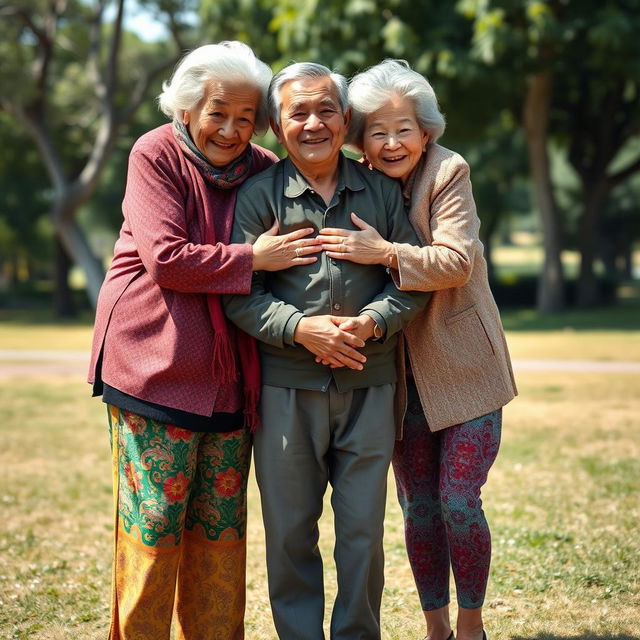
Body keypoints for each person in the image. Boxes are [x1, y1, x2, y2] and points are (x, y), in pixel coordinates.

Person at [88, 42, 323, 640]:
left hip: (231, 376)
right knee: (156, 525)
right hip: (153, 363)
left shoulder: (266, 169)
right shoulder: (156, 153)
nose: (231, 129)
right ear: (188, 107)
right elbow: (166, 259)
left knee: (220, 530)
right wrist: (253, 257)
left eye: (246, 116)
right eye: (218, 112)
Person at [223, 62, 428, 639]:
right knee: (289, 532)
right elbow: (242, 294)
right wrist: (299, 329)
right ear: (275, 125)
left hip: (371, 383)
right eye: (298, 112)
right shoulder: (258, 197)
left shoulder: (384, 193)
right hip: (285, 389)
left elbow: (410, 277)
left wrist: (371, 322)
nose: (314, 123)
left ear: (346, 119)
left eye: (326, 110)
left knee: (362, 531)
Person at [316, 60, 518, 640]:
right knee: (418, 507)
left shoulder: (448, 171)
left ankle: (472, 626)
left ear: (425, 129)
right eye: (377, 130)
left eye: (403, 127)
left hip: (467, 369)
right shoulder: (359, 179)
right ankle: (436, 629)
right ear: (361, 139)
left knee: (458, 499)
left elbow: (456, 262)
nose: (391, 141)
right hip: (397, 375)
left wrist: (383, 252)